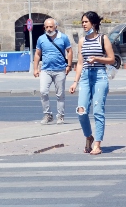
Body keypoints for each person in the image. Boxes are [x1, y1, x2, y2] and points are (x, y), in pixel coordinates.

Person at [69, 11, 115, 155]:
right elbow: (80, 63)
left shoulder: (103, 39)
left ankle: (97, 144)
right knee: (81, 111)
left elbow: (112, 59)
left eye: (86, 22)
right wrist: (75, 82)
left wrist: (97, 59)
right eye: (82, 22)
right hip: (85, 77)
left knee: (97, 111)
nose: (83, 24)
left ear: (93, 23)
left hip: (100, 76)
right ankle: (89, 136)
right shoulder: (82, 41)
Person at [34, 18, 73, 125]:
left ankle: (60, 116)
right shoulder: (41, 39)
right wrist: (35, 68)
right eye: (46, 27)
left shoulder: (63, 37)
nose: (49, 29)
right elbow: (37, 54)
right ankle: (48, 115)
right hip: (46, 70)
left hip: (60, 69)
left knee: (60, 95)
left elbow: (69, 51)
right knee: (43, 92)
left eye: (51, 26)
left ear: (56, 26)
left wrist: (69, 65)